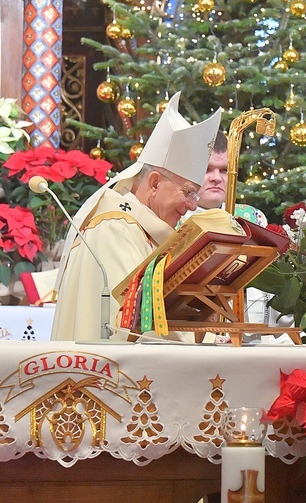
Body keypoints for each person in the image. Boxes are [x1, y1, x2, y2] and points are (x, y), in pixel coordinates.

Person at [51, 92, 221, 341]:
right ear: (154, 183)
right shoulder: (114, 228)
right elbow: (134, 322)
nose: (190, 206)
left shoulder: (147, 227)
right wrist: (206, 337)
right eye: (188, 193)